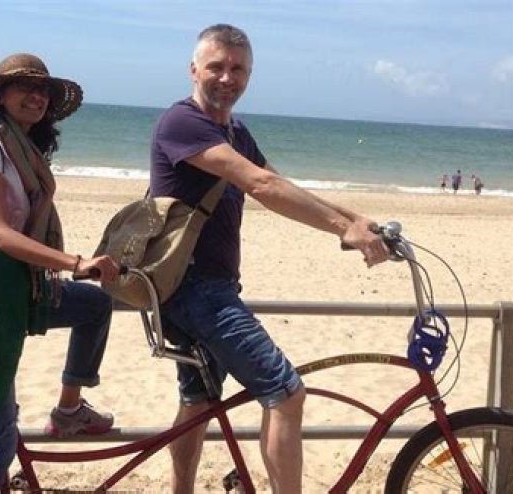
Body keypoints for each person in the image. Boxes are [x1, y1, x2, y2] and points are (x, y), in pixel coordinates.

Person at [149, 25, 389, 493]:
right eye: (216, 66)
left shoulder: (235, 131)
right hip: (195, 289)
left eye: (238, 69)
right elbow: (261, 186)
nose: (227, 77)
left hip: (209, 286)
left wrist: (355, 219)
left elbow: (279, 183)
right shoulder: (182, 123)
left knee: (198, 402)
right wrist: (342, 229)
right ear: (193, 69)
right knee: (286, 394)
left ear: (250, 75)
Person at [0, 53, 120, 491]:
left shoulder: (25, 149)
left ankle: (69, 409)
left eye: (43, 90)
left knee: (95, 305)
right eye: (24, 87)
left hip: (16, 285)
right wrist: (75, 263)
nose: (36, 96)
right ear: (0, 96)